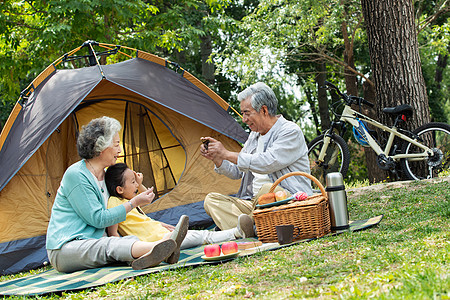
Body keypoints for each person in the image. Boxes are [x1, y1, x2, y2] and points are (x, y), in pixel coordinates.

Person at [46, 116, 185, 273]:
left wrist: (154, 223)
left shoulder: (106, 176)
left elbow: (119, 212)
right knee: (108, 245)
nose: (119, 150)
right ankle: (159, 246)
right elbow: (98, 219)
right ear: (101, 146)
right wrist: (133, 203)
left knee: (119, 242)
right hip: (66, 248)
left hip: (96, 243)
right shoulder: (76, 175)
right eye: (116, 144)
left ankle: (156, 254)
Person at [200, 82, 312, 231]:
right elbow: (237, 172)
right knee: (211, 200)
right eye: (243, 114)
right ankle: (250, 228)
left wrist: (226, 153)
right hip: (253, 203)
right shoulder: (254, 136)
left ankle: (241, 228)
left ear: (264, 110)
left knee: (267, 189)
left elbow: (266, 162)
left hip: (286, 198)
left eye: (247, 113)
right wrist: (218, 158)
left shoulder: (290, 131)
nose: (244, 119)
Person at [105, 163, 255, 254]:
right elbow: (113, 235)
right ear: (119, 189)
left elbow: (147, 199)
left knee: (196, 235)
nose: (136, 185)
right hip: (156, 242)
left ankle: (239, 231)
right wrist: (127, 254)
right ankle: (237, 232)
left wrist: (138, 181)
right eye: (132, 182)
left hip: (163, 235)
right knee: (200, 237)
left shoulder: (129, 201)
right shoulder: (115, 203)